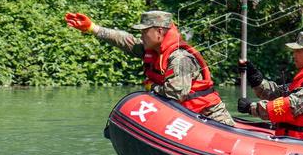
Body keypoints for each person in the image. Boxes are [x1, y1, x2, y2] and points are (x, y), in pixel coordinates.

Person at [64, 10, 234, 126]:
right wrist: (93, 28)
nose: (141, 35)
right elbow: (126, 41)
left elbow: (176, 93)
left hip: (211, 119)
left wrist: (151, 87)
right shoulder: (153, 49)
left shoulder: (179, 58)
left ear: (159, 32)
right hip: (189, 119)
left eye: (145, 31)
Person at [236, 31, 303, 142]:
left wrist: (251, 107)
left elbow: (289, 106)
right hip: (297, 141)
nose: (294, 54)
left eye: (298, 51)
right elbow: (278, 94)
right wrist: (255, 78)